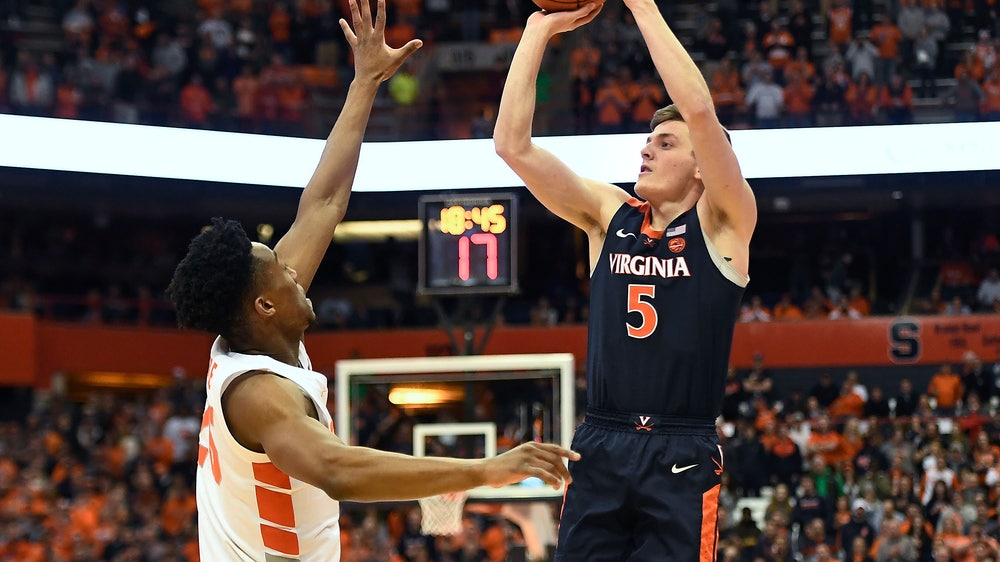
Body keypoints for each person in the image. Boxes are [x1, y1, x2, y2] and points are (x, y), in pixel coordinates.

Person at [168, 2, 578, 560]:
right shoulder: (261, 394)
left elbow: (324, 203)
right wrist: (486, 468)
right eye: (281, 270)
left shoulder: (252, 331)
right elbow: (337, 469)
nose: (295, 270)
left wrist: (364, 81)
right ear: (264, 305)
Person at [493, 0, 757, 558]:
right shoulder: (609, 215)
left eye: (665, 144)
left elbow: (701, 111)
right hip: (601, 441)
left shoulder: (725, 223)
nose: (646, 148)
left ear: (703, 166)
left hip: (681, 448)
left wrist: (641, 6)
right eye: (648, 140)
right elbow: (511, 146)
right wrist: (537, 32)